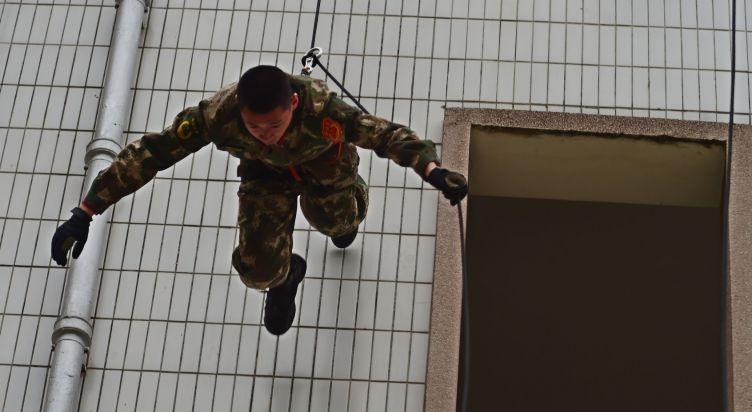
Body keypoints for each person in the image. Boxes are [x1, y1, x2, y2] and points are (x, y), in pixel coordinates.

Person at [51, 65, 468, 335]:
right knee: (257, 272)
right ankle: (288, 277)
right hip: (266, 178)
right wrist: (86, 211)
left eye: (274, 125)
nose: (266, 133)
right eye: (255, 126)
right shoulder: (218, 116)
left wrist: (434, 171)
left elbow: (388, 136)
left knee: (337, 226)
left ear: (293, 104)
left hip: (326, 170)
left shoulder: (324, 110)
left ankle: (347, 215)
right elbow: (152, 153)